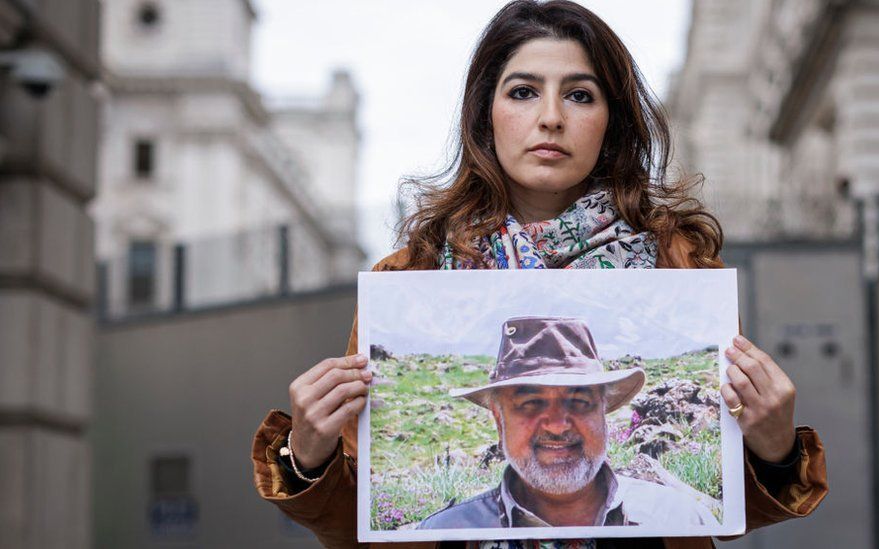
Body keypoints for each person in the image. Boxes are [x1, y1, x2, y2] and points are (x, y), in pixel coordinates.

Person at [251, 1, 828, 548]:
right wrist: (308, 455)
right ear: (486, 115)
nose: (550, 118)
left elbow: (719, 518)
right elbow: (363, 530)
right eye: (524, 92)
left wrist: (773, 451)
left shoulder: (679, 266)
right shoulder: (412, 277)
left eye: (579, 95)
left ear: (612, 120)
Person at [417, 316, 718, 529]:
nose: (558, 426)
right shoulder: (448, 531)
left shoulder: (680, 518)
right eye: (531, 403)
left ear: (603, 411)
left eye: (579, 401)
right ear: (499, 421)